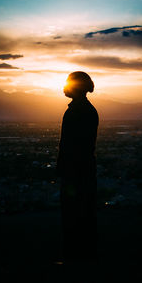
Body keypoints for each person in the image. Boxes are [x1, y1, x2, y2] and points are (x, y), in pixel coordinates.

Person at [57, 71, 99, 263]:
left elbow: (71, 146)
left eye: (68, 83)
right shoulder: (85, 109)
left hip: (76, 171)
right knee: (82, 213)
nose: (64, 86)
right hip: (83, 170)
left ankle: (74, 257)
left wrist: (65, 170)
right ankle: (82, 255)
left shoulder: (77, 111)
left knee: (74, 214)